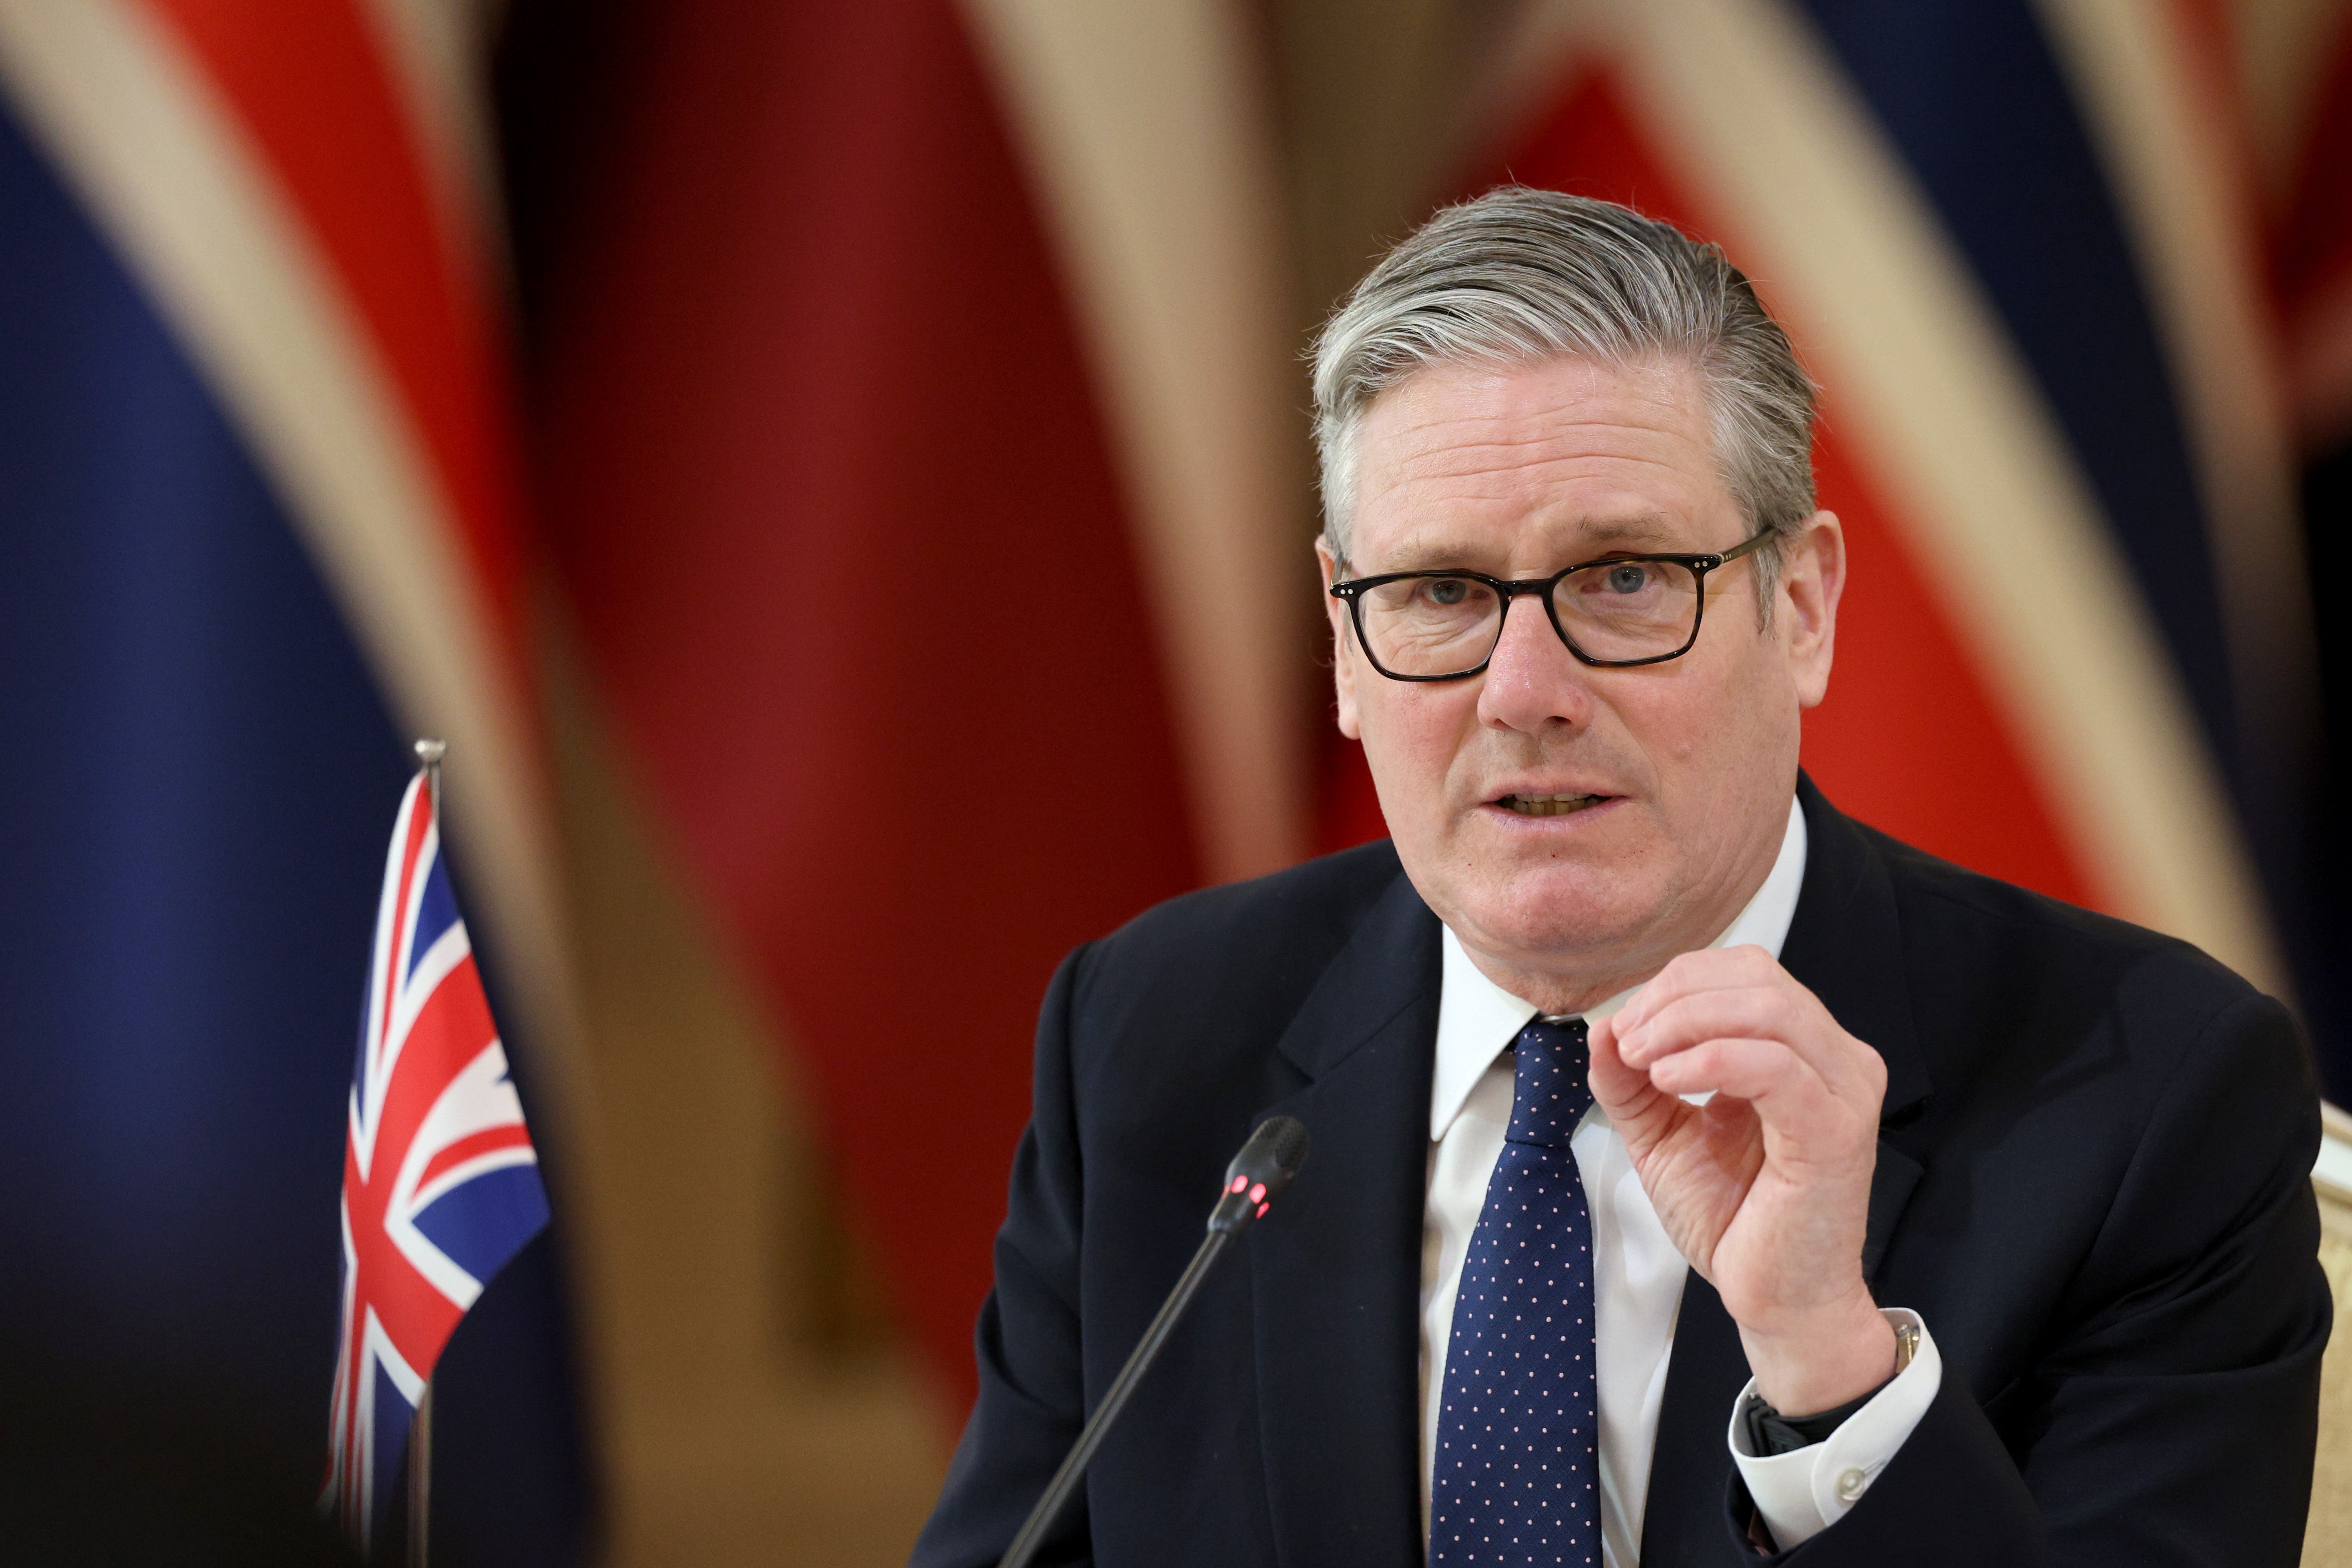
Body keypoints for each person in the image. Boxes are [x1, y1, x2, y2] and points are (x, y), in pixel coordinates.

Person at [909, 189, 2328, 1567]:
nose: (1524, 691)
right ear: (1345, 644)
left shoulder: (2150, 1095)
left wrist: (1828, 1367)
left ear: (1803, 607)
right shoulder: (1152, 1037)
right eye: (1441, 594)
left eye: (1625, 578)